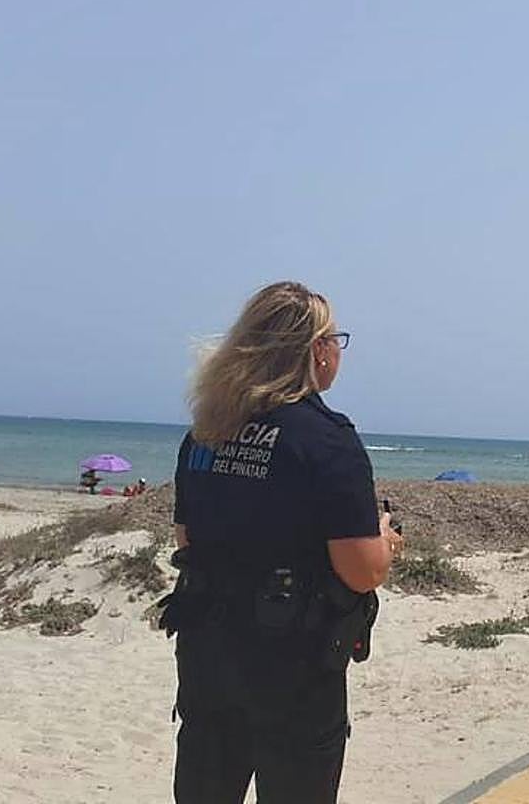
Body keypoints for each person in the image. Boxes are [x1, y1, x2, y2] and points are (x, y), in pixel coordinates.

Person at [161, 281, 403, 804]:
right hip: (293, 663)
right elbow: (361, 570)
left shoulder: (206, 431)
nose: (338, 350)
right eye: (335, 338)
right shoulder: (326, 439)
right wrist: (384, 538)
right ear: (316, 352)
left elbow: (187, 538)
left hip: (209, 653)